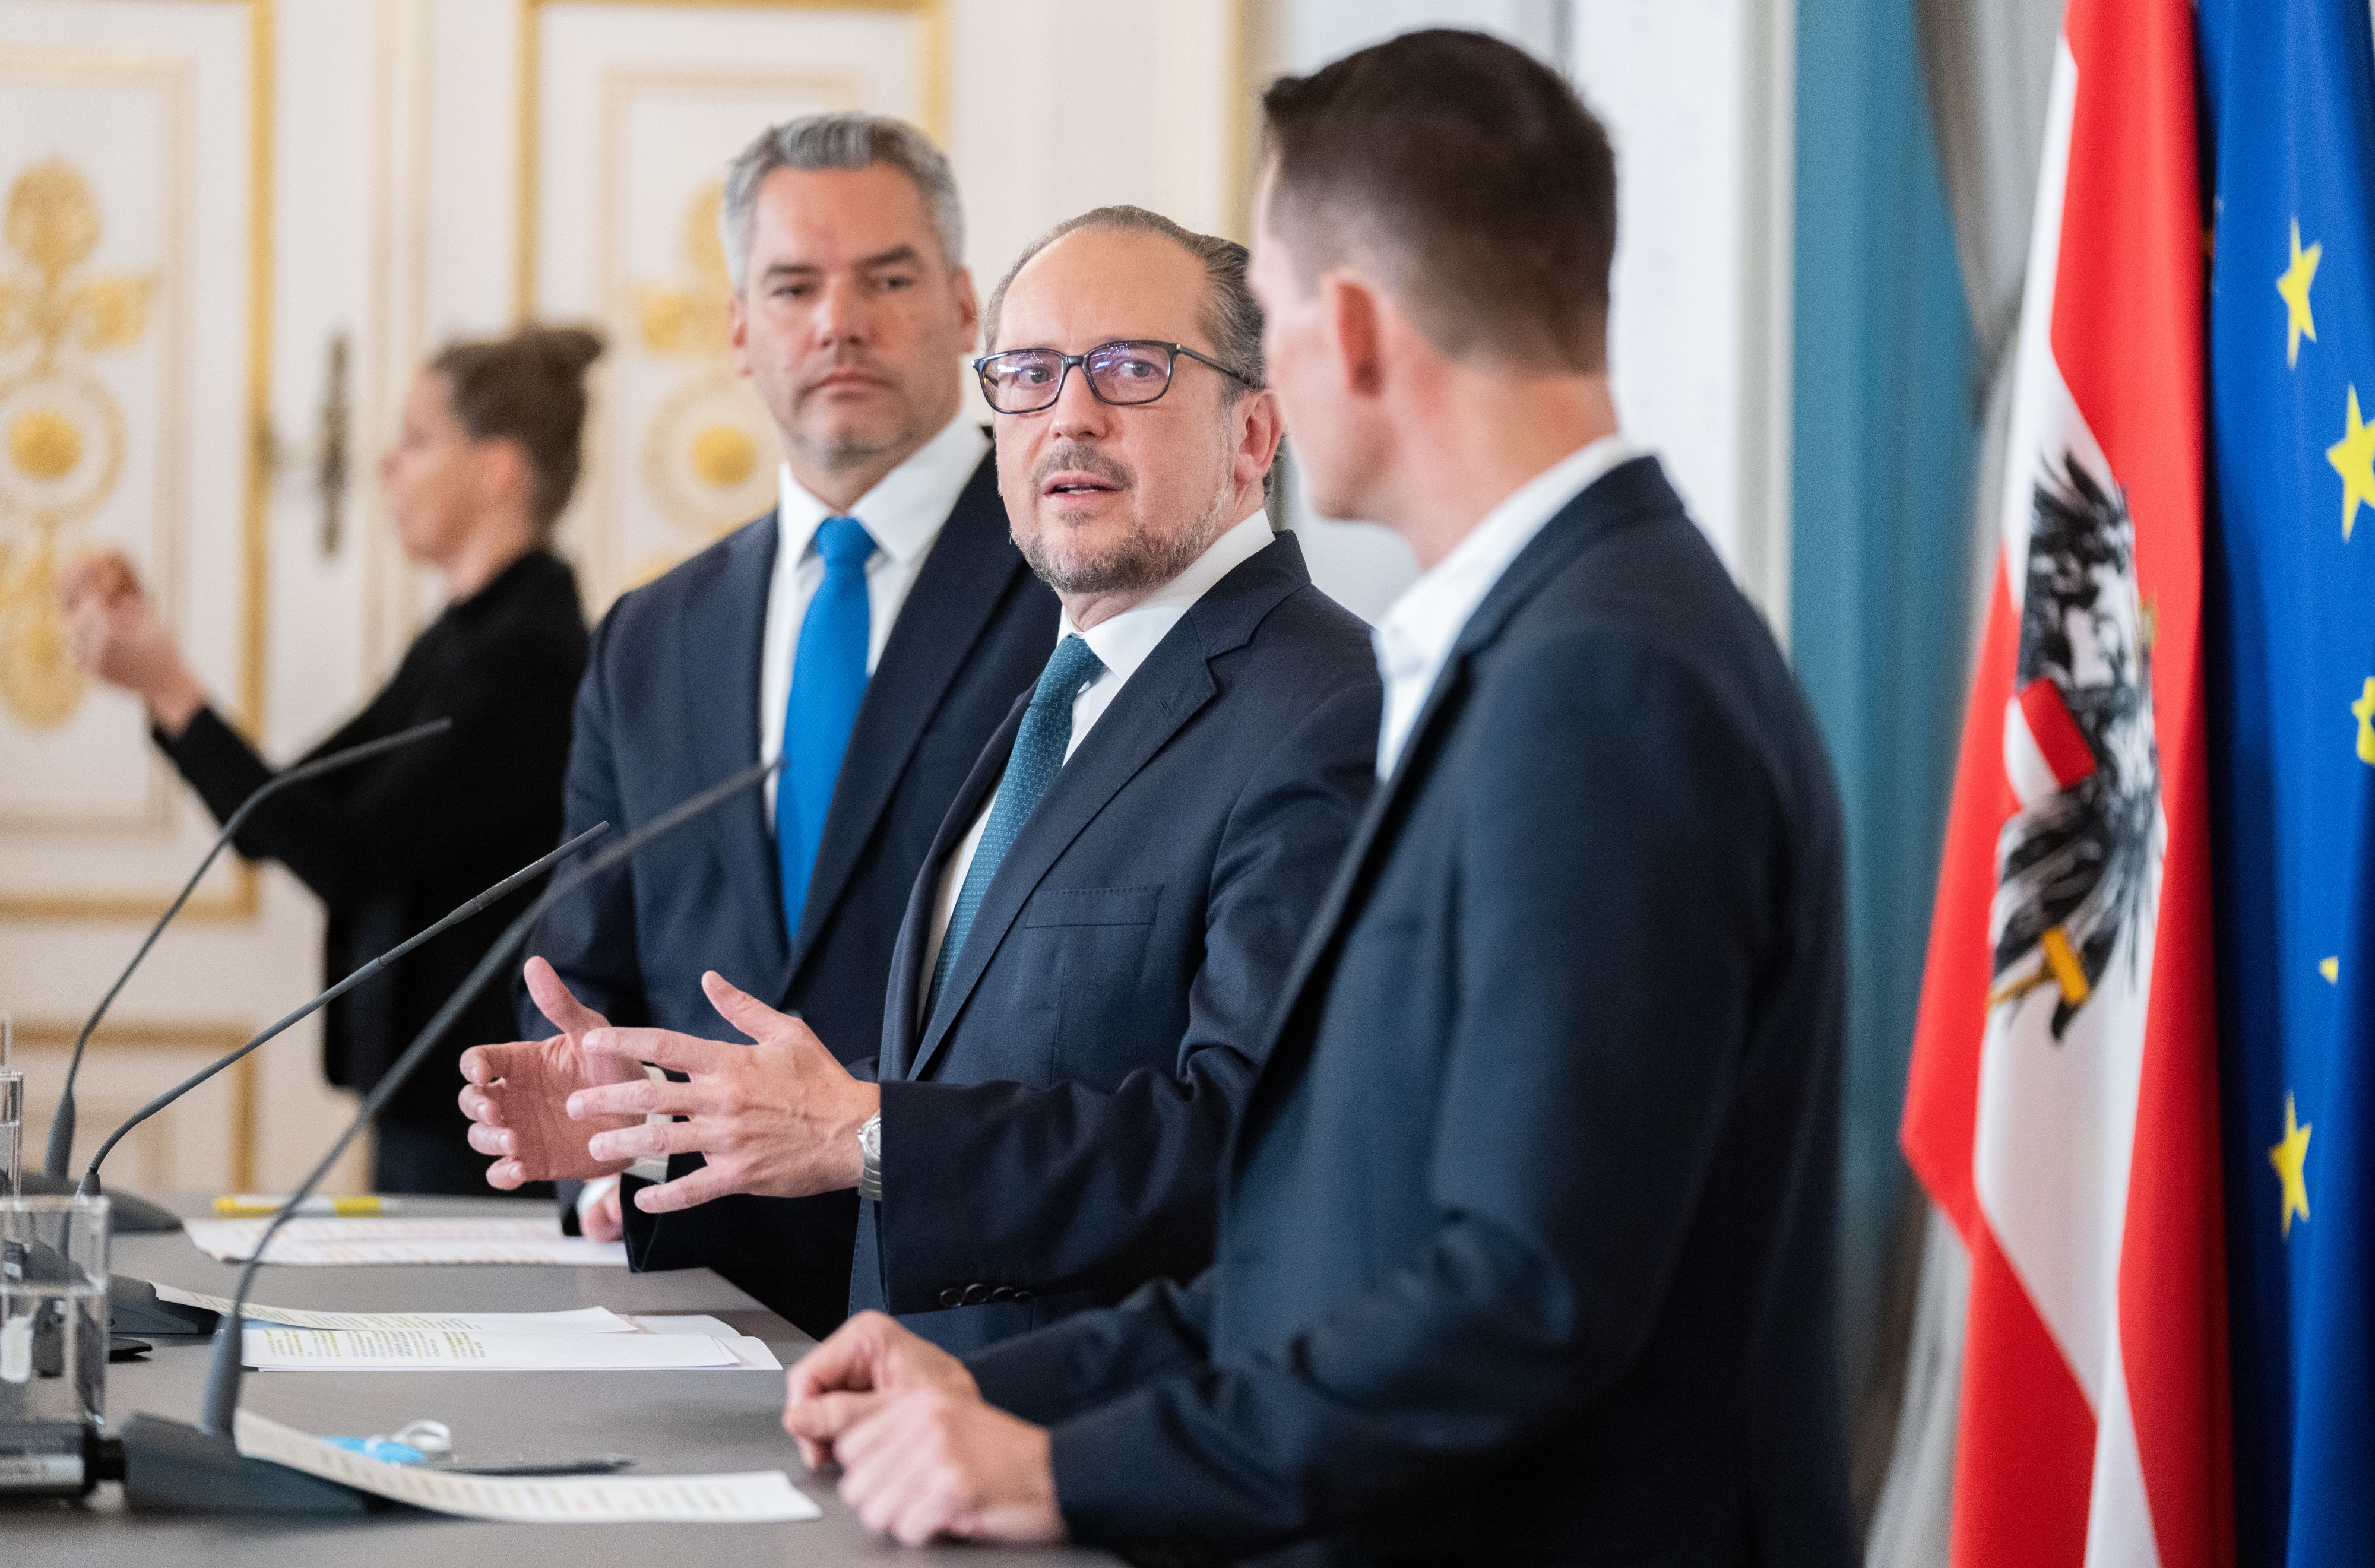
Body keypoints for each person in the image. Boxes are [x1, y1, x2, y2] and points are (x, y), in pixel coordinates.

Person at [777, 30, 1857, 1566]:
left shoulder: (1602, 680)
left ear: (1338, 332)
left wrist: (1068, 1472)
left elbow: (1524, 1292)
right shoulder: (1551, 638)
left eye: (1269, 315)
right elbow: (1345, 1234)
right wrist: (1005, 1387)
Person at [460, 206, 1381, 1352]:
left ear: (1254, 431)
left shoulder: (1329, 710)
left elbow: (1259, 1142)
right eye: (1029, 376)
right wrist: (663, 1125)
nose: (1070, 416)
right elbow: (965, 1080)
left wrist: (862, 1133)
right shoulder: (1064, 691)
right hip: (911, 1417)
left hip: (1101, 1431)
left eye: (1131, 369)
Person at [457, 113, 1058, 1336]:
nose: (838, 321)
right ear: (739, 328)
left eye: (886, 279)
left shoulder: (1068, 587)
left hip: (972, 1305)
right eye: (793, 287)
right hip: (694, 1299)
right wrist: (602, 1125)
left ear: (962, 307)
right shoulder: (650, 633)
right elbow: (583, 960)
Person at [64, 326, 598, 1195]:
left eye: (415, 440)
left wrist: (170, 688)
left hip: (479, 1110)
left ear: (494, 471)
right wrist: (160, 680)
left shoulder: (528, 656)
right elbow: (280, 815)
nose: (386, 466)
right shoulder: (466, 637)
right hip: (428, 1096)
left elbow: (345, 856)